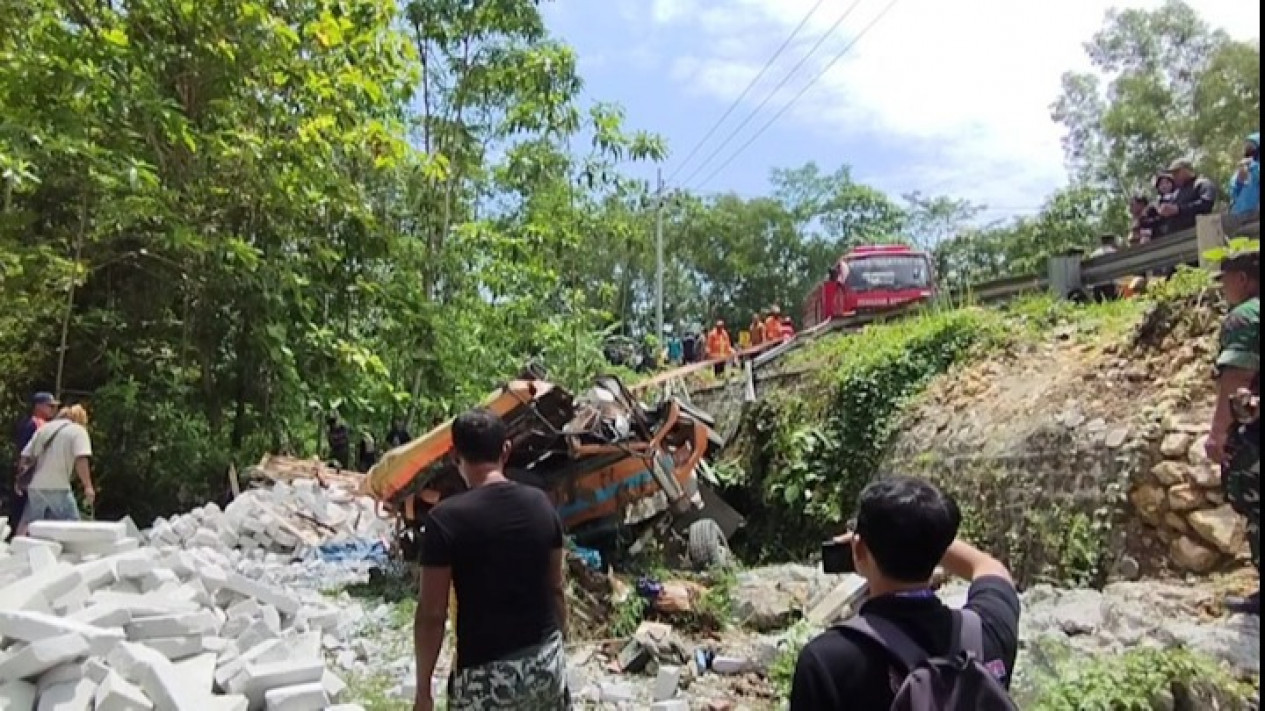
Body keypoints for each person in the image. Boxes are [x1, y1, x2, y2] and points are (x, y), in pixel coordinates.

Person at [789, 476, 1020, 709]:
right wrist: (926, 536)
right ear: (941, 547)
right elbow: (989, 567)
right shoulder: (987, 632)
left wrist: (889, 538)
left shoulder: (826, 661)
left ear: (858, 550)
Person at [414, 408, 568, 711]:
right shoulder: (541, 504)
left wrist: (423, 691)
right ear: (506, 450)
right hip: (545, 666)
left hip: (485, 679)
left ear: (455, 454)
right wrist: (557, 652)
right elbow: (556, 589)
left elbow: (432, 614)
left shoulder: (444, 520)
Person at [1204, 243, 1259, 615]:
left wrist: (1218, 434)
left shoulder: (1245, 317)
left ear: (1242, 278)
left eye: (1225, 281)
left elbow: (1237, 376)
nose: (1224, 288)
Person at [16, 404, 96, 537]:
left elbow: (25, 456)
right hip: (58, 486)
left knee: (30, 522)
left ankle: (16, 548)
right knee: (72, 524)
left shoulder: (44, 428)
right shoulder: (78, 431)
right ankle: (75, 553)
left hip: (35, 485)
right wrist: (88, 486)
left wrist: (20, 478)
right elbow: (81, 459)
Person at [8, 392, 58, 538]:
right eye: (49, 406)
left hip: (36, 475)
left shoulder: (41, 424)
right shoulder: (33, 424)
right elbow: (24, 451)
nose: (52, 410)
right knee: (22, 511)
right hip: (28, 475)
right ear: (38, 406)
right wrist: (22, 474)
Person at [1156, 159, 1216, 234]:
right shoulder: (1177, 192)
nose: (1174, 176)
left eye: (1176, 172)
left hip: (1199, 233)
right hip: (1177, 237)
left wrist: (1179, 209)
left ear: (1186, 170)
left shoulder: (1202, 184)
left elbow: (1206, 204)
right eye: (1173, 173)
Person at [1229, 133, 1260, 219]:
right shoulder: (1243, 168)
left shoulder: (1255, 167)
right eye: (1247, 146)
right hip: (1240, 216)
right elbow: (1233, 192)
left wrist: (1253, 166)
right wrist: (1240, 179)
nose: (1248, 149)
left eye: (1252, 146)